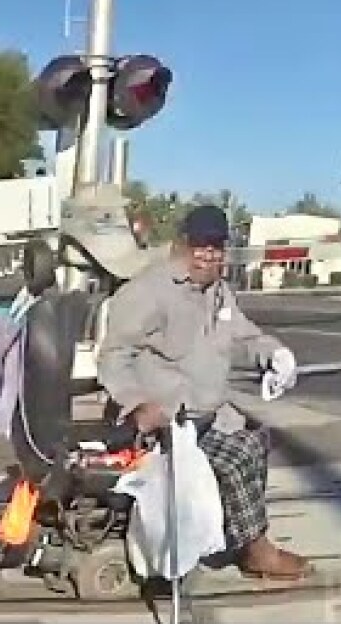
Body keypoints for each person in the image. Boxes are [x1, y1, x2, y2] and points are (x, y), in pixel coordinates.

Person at [96, 204, 312, 580]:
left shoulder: (219, 293)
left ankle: (238, 536)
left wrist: (276, 353)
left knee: (255, 439)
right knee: (238, 457)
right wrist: (136, 402)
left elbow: (244, 334)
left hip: (206, 416)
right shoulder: (149, 290)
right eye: (200, 245)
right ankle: (256, 550)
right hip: (162, 424)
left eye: (215, 247)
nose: (207, 255)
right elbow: (113, 356)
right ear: (182, 244)